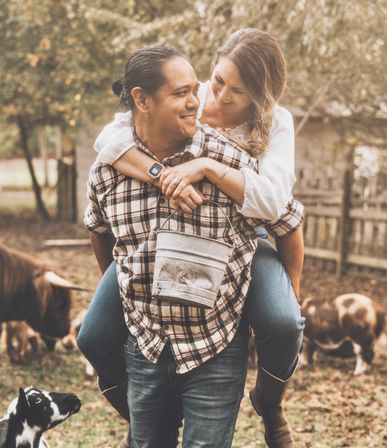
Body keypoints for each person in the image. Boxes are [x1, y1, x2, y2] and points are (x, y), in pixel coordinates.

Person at [79, 29, 305, 448]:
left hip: (247, 227)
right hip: (156, 224)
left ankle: (270, 405)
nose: (217, 98)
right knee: (92, 335)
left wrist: (208, 167)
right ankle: (144, 411)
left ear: (261, 95)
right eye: (217, 81)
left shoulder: (275, 123)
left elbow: (276, 203)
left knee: (283, 319)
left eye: (236, 92)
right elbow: (111, 139)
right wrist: (162, 175)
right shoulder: (187, 95)